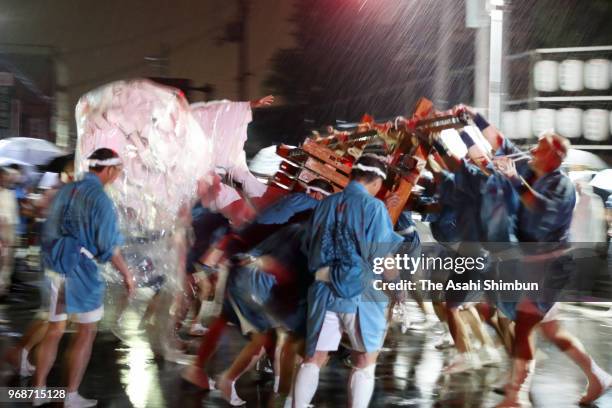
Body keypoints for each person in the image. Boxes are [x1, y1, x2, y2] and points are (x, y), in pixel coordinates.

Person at [457, 105, 612, 407]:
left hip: (551, 268)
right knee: (551, 330)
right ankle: (598, 377)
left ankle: (518, 395)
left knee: (526, 323)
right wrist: (470, 123)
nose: (532, 151)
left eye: (539, 147)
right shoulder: (531, 168)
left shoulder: (562, 185)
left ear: (554, 156)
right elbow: (498, 142)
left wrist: (514, 180)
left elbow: (541, 211)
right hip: (529, 265)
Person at [290, 155, 404, 408]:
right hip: (359, 295)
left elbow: (308, 245)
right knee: (364, 360)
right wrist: (398, 288)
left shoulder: (325, 204)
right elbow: (383, 256)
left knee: (314, 358)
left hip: (322, 291)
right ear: (376, 182)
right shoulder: (374, 208)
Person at [33, 148, 134, 408]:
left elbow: (48, 226)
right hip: (81, 274)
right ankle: (70, 395)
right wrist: (127, 274)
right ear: (109, 170)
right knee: (86, 331)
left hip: (56, 266)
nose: (119, 175)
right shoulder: (101, 200)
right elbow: (109, 246)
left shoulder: (67, 189)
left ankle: (38, 390)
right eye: (119, 170)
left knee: (55, 329)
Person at [0, 167, 19, 296]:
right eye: (2, 177)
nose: (5, 179)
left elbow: (13, 216)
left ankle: (3, 289)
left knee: (7, 265)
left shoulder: (10, 194)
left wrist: (12, 238)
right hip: (1, 234)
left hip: (10, 233)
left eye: (6, 177)